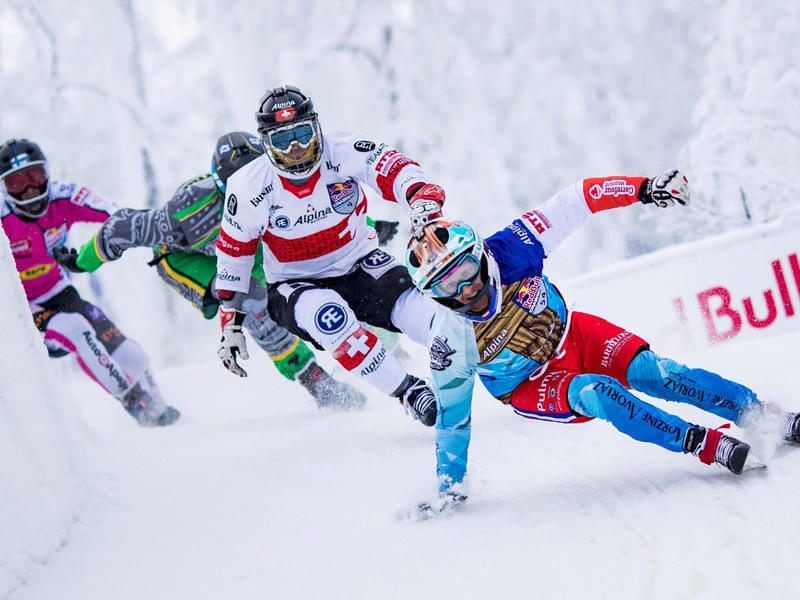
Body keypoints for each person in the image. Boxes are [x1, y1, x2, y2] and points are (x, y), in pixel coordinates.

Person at [405, 169, 800, 509]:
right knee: (597, 392)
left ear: (481, 254)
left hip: (574, 333)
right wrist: (450, 490)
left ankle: (762, 416)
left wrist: (644, 187)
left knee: (658, 372)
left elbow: (578, 198)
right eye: (445, 287)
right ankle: (699, 442)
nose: (466, 290)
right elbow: (453, 422)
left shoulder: (514, 246)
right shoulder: (450, 342)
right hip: (529, 384)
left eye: (466, 271)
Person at [54, 131, 372, 410]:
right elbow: (121, 230)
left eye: (256, 179)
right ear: (221, 187)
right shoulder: (185, 213)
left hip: (257, 254)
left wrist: (370, 227)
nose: (249, 193)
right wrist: (81, 261)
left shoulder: (284, 186)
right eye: (237, 187)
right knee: (248, 296)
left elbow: (328, 215)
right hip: (190, 260)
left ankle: (374, 341)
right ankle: (314, 380)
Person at [214, 85, 444, 426]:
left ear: (317, 126)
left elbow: (394, 167)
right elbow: (235, 255)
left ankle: (479, 355)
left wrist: (420, 196)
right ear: (265, 143)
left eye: (303, 133)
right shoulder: (248, 186)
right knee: (330, 318)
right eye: (282, 140)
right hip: (295, 283)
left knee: (419, 309)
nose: (296, 149)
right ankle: (409, 392)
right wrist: (229, 321)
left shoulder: (343, 148)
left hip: (358, 261)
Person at [0, 138, 179, 426]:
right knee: (77, 328)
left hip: (59, 292)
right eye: (16, 184)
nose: (29, 189)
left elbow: (117, 215)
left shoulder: (64, 197)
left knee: (131, 355)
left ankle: (160, 405)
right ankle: (138, 406)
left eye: (34, 177)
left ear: (47, 173)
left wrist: (165, 228)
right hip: (22, 310)